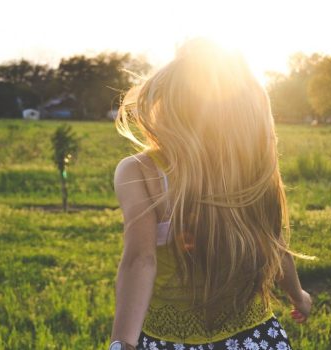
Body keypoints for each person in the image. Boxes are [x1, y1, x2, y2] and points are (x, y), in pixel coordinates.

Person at [110, 38, 313, 350]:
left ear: (168, 102)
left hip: (170, 341)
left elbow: (141, 260)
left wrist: (122, 342)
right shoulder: (251, 166)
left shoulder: (140, 170)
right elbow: (274, 241)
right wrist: (299, 296)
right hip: (255, 338)